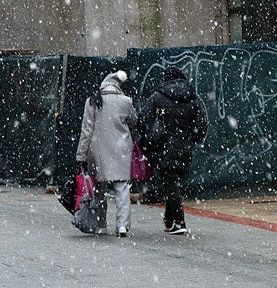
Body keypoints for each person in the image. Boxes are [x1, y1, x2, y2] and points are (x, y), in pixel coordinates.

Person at [139, 66, 208, 235]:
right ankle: (169, 221)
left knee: (171, 182)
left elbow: (143, 119)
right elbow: (202, 124)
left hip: (164, 146)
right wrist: (191, 139)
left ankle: (180, 221)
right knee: (173, 181)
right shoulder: (193, 98)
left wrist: (151, 137)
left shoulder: (159, 98)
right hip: (185, 147)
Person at [75, 70, 138, 237]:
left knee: (99, 188)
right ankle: (122, 225)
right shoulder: (126, 101)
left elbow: (86, 131)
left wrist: (81, 155)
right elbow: (134, 121)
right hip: (121, 149)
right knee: (122, 187)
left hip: (98, 150)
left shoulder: (93, 101)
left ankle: (101, 223)